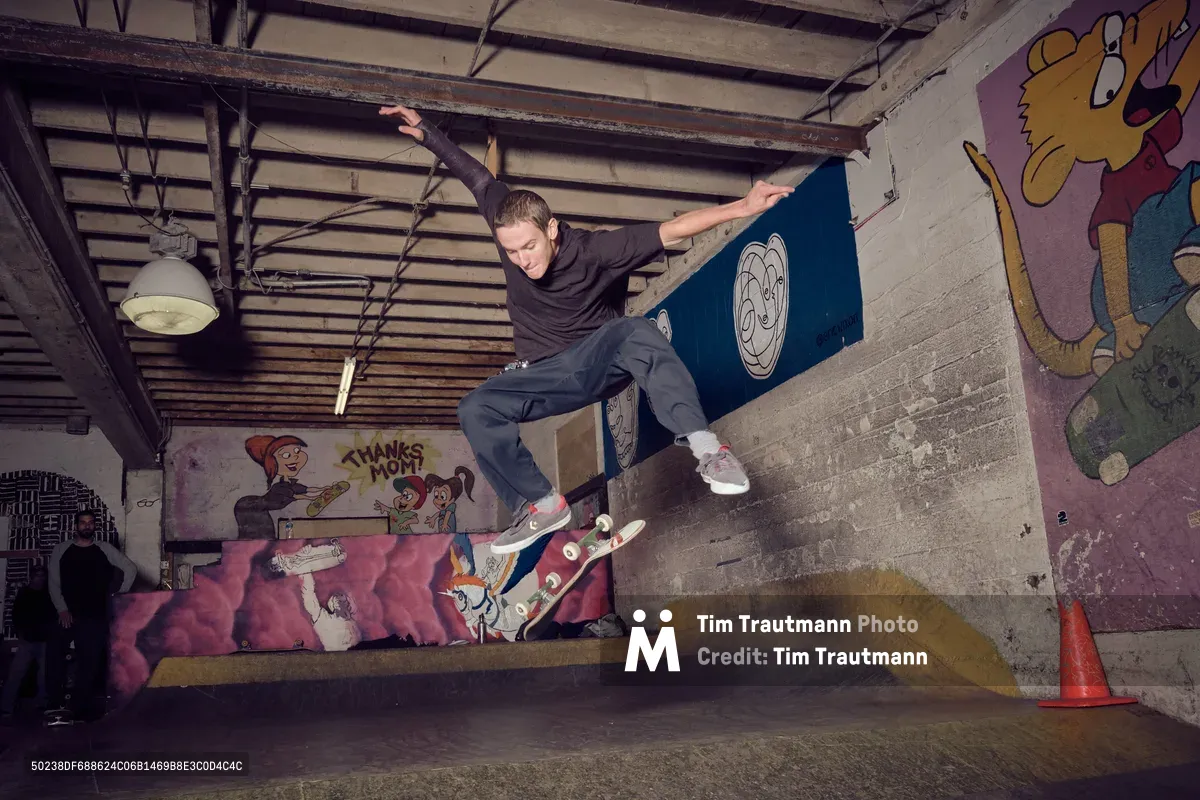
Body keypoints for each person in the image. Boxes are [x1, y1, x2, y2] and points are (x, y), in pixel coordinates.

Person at [380, 104, 793, 556]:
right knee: (475, 407)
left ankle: (708, 450)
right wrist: (428, 132)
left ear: (551, 229)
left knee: (634, 330)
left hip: (598, 360)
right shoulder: (508, 220)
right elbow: (476, 177)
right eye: (512, 251)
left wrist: (744, 206)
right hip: (542, 373)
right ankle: (541, 505)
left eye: (530, 246)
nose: (522, 260)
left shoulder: (597, 251)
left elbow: (670, 229)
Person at [45, 510, 137, 724]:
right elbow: (53, 582)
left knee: (90, 662)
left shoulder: (104, 549)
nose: (86, 526)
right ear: (75, 526)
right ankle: (54, 704)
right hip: (65, 613)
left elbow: (130, 569)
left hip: (94, 615)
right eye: (82, 523)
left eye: (90, 523)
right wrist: (62, 609)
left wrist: (119, 595)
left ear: (95, 526)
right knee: (55, 657)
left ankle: (80, 708)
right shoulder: (62, 549)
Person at [1, 565, 56, 718]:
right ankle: (6, 707)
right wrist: (21, 633)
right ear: (31, 576)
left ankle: (42, 705)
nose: (40, 578)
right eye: (37, 575)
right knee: (16, 674)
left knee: (44, 676)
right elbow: (16, 615)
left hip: (44, 640)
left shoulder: (48, 594)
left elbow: (53, 615)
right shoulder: (24, 593)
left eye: (42, 575)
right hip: (27, 641)